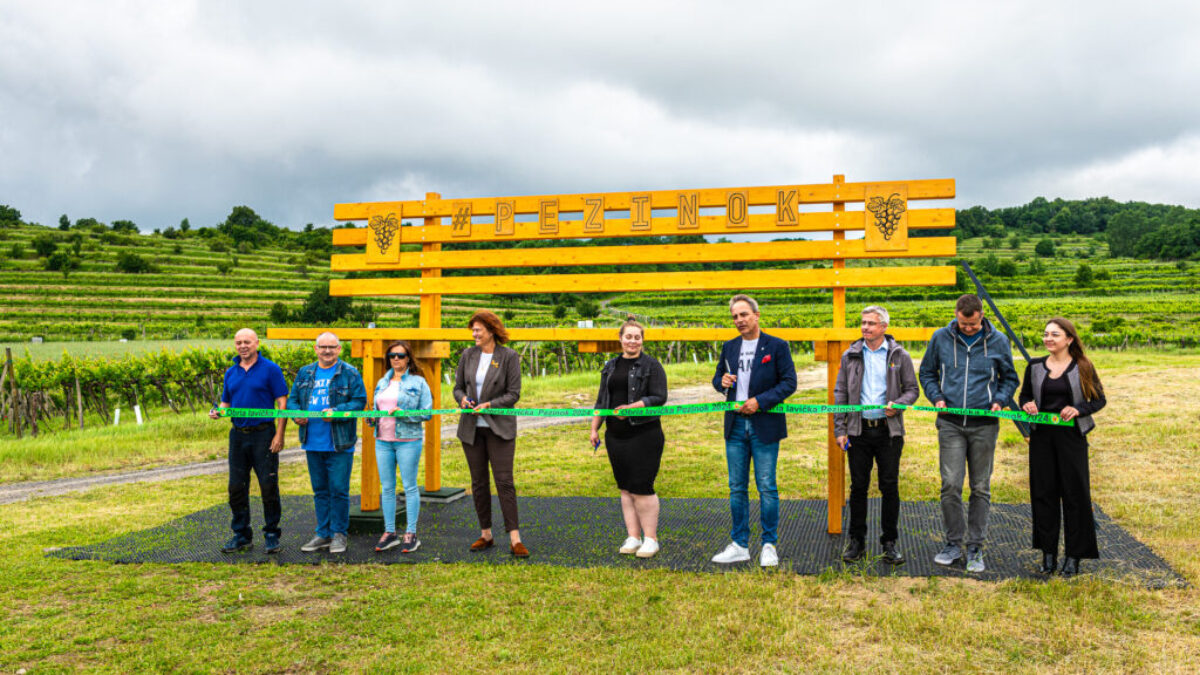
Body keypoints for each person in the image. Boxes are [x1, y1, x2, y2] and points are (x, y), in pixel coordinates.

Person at [919, 294, 1019, 573]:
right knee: (950, 484)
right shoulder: (940, 338)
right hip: (950, 423)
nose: (969, 328)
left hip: (985, 425)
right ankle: (953, 543)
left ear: (982, 315)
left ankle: (975, 546)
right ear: (956, 315)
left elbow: (1010, 378)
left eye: (973, 324)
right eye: (964, 324)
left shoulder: (998, 341)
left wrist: (999, 400)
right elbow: (927, 373)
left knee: (980, 487)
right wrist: (936, 396)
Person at [710, 294, 797, 567]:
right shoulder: (729, 347)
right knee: (737, 488)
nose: (739, 321)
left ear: (756, 315)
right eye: (735, 316)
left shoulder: (777, 346)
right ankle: (739, 544)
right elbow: (717, 379)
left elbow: (789, 383)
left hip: (765, 424)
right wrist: (722, 382)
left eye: (744, 315)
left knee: (767, 487)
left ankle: (769, 544)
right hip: (734, 425)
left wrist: (760, 401)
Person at [1019, 318, 1106, 577]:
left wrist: (1078, 409)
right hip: (1042, 438)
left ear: (1069, 339)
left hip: (1072, 439)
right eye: (1046, 334)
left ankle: (1074, 556)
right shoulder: (1034, 366)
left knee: (1075, 495)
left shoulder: (1082, 366)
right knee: (1043, 494)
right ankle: (1048, 554)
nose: (1048, 339)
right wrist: (1027, 405)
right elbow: (1024, 396)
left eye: (1054, 335)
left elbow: (1099, 400)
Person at [833, 306, 919, 564]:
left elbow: (913, 390)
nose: (865, 327)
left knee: (889, 486)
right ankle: (856, 541)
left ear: (883, 327)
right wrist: (840, 429)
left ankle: (889, 542)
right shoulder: (850, 355)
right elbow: (840, 394)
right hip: (858, 432)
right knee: (858, 487)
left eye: (871, 323)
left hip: (888, 432)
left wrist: (899, 403)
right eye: (863, 322)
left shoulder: (899, 355)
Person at [589, 318, 669, 558]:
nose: (632, 341)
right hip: (615, 436)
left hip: (644, 434)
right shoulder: (610, 366)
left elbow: (659, 398)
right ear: (620, 339)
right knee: (625, 488)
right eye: (628, 336)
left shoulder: (652, 366)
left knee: (641, 487)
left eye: (637, 337)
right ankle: (633, 537)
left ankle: (651, 539)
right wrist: (594, 428)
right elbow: (601, 401)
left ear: (642, 340)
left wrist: (631, 407)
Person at [453, 310, 527, 557]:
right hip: (471, 429)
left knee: (504, 482)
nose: (474, 334)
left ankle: (515, 539)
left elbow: (513, 394)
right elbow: (457, 388)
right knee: (478, 483)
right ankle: (486, 534)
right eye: (472, 330)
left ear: (491, 330)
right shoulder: (468, 355)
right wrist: (463, 400)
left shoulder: (509, 356)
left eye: (478, 330)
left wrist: (489, 405)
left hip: (499, 428)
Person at [208, 328, 289, 554]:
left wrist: (279, 434)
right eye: (238, 342)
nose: (242, 346)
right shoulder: (231, 373)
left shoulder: (271, 369)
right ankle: (241, 534)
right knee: (236, 487)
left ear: (256, 344)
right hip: (238, 436)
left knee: (268, 485)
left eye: (247, 342)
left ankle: (272, 534)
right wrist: (217, 412)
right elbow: (226, 404)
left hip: (264, 434)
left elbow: (282, 403)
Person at [287, 332, 367, 555]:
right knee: (320, 490)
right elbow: (293, 400)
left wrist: (339, 412)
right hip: (312, 441)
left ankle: (339, 534)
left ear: (339, 349)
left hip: (339, 442)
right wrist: (296, 415)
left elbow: (360, 402)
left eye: (332, 347)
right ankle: (323, 533)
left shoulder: (349, 373)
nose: (327, 351)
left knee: (339, 490)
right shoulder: (305, 373)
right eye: (323, 347)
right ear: (315, 349)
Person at [370, 340, 432, 554]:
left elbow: (427, 413)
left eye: (400, 355)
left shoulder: (419, 382)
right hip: (382, 441)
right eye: (392, 355)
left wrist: (403, 412)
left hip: (408, 441)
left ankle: (411, 533)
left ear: (408, 358)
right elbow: (376, 409)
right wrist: (370, 416)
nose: (396, 358)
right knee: (387, 488)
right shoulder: (382, 382)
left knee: (409, 486)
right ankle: (389, 533)